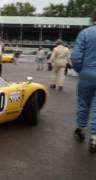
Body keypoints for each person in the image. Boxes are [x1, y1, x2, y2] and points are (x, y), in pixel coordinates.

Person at [71, 13, 96, 153]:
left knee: (83, 103)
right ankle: (94, 137)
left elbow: (76, 56)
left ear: (93, 19)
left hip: (87, 73)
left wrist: (80, 69)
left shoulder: (85, 33)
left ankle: (80, 129)